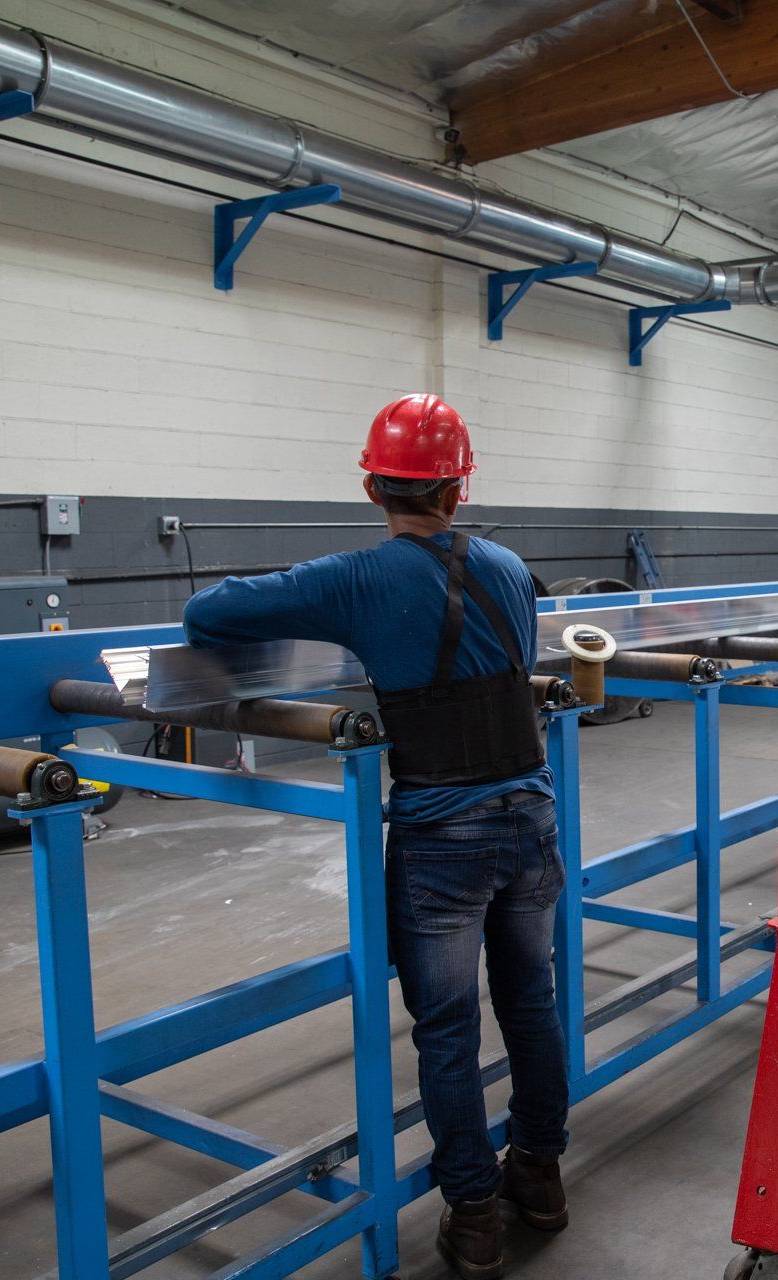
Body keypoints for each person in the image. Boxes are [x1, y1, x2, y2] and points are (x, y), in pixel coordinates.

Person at [182, 393, 567, 1280]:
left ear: (370, 486)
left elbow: (212, 612)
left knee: (445, 1029)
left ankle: (474, 1218)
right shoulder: (510, 567)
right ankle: (540, 1179)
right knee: (532, 1004)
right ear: (459, 492)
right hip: (532, 818)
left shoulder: (356, 579)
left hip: (444, 837)